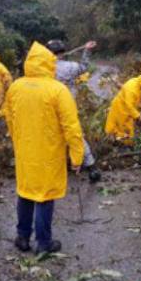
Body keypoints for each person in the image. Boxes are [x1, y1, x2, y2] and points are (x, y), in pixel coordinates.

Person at [2, 42, 86, 254]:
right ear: (50, 63)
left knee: (26, 192)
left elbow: (9, 118)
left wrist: (17, 141)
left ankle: (22, 237)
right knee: (44, 196)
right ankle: (43, 243)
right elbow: (72, 127)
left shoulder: (16, 87)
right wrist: (77, 157)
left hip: (25, 152)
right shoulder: (58, 90)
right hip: (48, 153)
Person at [46, 38, 101, 182]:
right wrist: (87, 50)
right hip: (68, 105)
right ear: (62, 52)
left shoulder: (43, 68)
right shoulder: (70, 67)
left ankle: (55, 169)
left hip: (48, 107)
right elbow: (84, 67)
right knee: (76, 135)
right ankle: (91, 168)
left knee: (51, 137)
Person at [104, 72, 141, 143]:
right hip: (121, 110)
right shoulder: (132, 90)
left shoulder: (136, 82)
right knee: (120, 130)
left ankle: (121, 140)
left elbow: (127, 91)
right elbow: (129, 106)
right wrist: (139, 116)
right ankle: (118, 143)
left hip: (124, 109)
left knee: (125, 130)